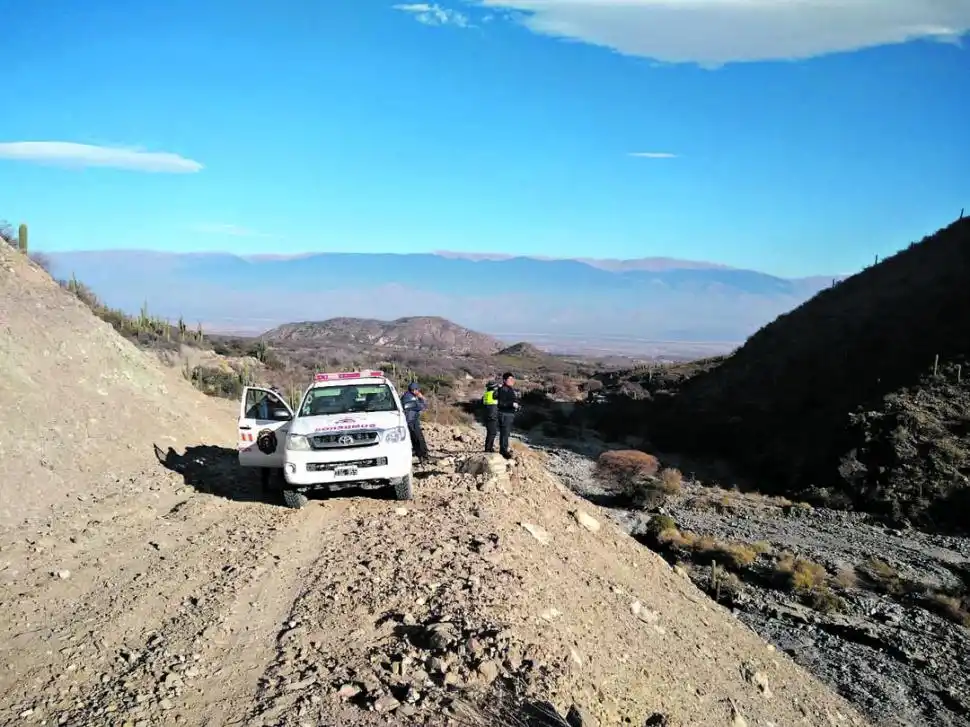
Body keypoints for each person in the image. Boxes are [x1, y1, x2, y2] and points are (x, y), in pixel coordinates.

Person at [400, 381, 430, 462]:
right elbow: (422, 407)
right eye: (417, 390)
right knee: (418, 438)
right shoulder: (409, 398)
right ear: (414, 390)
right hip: (411, 421)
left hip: (413, 419)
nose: (419, 391)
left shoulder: (410, 396)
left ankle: (421, 453)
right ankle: (422, 454)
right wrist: (422, 399)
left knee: (417, 438)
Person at [495, 372, 520, 459]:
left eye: (513, 379)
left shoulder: (509, 389)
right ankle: (503, 451)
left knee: (506, 433)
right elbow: (501, 403)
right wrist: (512, 404)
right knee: (505, 433)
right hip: (505, 414)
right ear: (505, 380)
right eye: (510, 379)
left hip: (509, 414)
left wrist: (516, 406)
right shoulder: (503, 389)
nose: (512, 381)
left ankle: (504, 449)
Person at [482, 380, 499, 452]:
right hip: (492, 416)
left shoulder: (486, 394)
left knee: (491, 432)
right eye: (496, 387)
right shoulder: (494, 393)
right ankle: (488, 449)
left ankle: (489, 448)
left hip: (487, 415)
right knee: (492, 433)